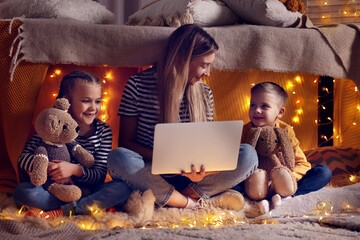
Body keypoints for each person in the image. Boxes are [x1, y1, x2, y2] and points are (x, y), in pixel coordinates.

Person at [107, 24, 258, 210]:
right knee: (118, 157)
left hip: (191, 177)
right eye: (204, 65)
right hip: (151, 171)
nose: (208, 73)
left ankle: (181, 199)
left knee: (248, 155)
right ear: (181, 59)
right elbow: (125, 143)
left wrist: (200, 171)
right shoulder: (137, 85)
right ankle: (193, 203)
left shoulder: (204, 92)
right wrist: (168, 159)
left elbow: (205, 145)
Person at [13, 70, 131, 219]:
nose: (93, 107)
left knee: (122, 188)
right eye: (86, 100)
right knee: (23, 191)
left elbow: (100, 175)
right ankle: (86, 207)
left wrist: (75, 170)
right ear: (67, 100)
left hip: (87, 190)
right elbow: (23, 158)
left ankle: (65, 210)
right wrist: (47, 166)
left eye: (98, 101)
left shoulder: (103, 131)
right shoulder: (51, 126)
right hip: (53, 189)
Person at [238, 81, 332, 212]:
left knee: (323, 172)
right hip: (255, 184)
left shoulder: (286, 131)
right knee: (231, 183)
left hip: (284, 183)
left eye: (264, 106)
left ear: (280, 112)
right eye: (253, 105)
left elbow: (303, 164)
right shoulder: (244, 131)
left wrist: (283, 180)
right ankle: (257, 199)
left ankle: (288, 197)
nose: (256, 110)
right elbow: (239, 166)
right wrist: (259, 182)